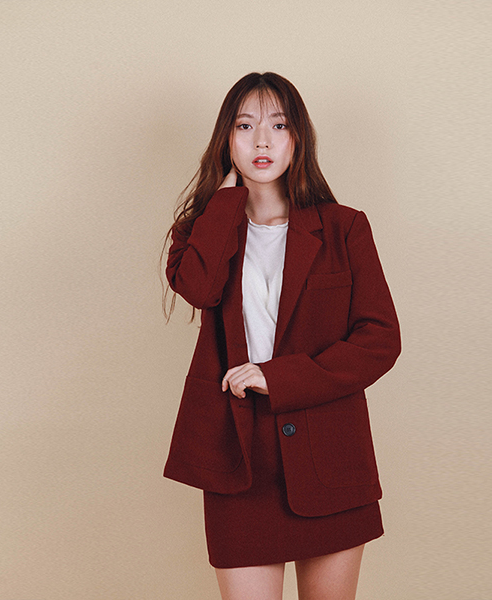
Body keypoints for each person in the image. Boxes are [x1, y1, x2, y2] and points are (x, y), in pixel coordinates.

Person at [162, 72, 400, 600]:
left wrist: (279, 377)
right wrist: (225, 204)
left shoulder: (344, 228)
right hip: (239, 461)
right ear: (227, 139)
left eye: (278, 125)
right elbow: (199, 288)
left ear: (298, 138)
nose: (262, 141)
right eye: (245, 126)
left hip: (330, 457)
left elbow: (380, 338)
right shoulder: (200, 231)